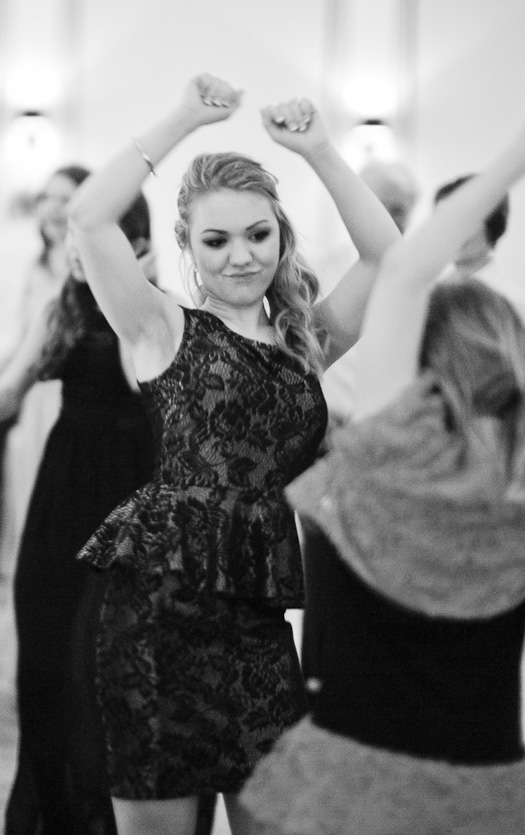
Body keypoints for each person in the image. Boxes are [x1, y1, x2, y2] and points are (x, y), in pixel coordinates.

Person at [240, 51, 525, 834]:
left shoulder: (390, 460)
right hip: (488, 783)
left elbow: (404, 274)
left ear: (425, 364)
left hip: (361, 780)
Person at [66, 73, 400, 835]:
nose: (242, 256)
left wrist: (317, 148)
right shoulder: (160, 328)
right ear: (187, 244)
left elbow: (388, 252)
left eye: (259, 233)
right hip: (154, 622)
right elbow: (89, 217)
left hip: (254, 627)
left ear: (281, 234)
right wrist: (182, 114)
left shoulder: (306, 342)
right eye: (216, 239)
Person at [2, 193, 157, 835]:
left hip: (129, 491)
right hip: (61, 493)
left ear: (133, 244)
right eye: (68, 234)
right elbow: (10, 390)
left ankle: (104, 815)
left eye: (85, 233)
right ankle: (47, 812)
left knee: (102, 658)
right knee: (42, 647)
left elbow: (143, 384)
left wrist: (131, 287)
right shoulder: (58, 305)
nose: (71, 246)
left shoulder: (153, 312)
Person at [301, 158, 420, 698]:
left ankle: (382, 686)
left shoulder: (424, 276)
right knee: (325, 575)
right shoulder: (315, 270)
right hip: (325, 440)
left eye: (399, 209)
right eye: (380, 206)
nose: (390, 218)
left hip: (393, 442)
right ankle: (324, 687)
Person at [0, 165, 91, 578]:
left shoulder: (91, 265)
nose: (54, 208)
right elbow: (20, 336)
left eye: (66, 197)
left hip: (71, 393)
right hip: (32, 394)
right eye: (48, 198)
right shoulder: (33, 266)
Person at [434, 171, 525, 348]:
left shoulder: (510, 299)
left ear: (493, 223)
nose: (452, 230)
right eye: (443, 218)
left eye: (465, 219)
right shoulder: (432, 290)